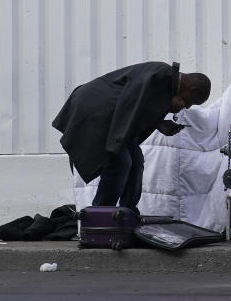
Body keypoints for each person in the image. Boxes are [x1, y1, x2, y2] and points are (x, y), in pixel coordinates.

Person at [52, 61, 211, 212]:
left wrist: (159, 123)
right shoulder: (160, 76)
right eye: (192, 102)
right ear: (193, 89)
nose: (187, 106)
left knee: (136, 161)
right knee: (120, 163)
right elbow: (128, 103)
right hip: (96, 111)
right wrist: (115, 147)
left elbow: (139, 107)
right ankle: (101, 215)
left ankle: (127, 213)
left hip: (113, 118)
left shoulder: (166, 81)